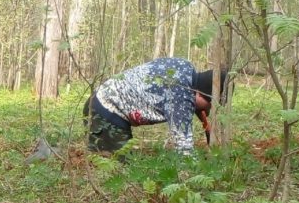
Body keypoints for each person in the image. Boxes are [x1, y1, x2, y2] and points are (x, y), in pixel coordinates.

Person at [84, 58, 231, 155]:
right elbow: (184, 149)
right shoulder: (180, 98)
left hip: (101, 98)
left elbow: (197, 105)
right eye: (210, 104)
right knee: (120, 164)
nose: (209, 109)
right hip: (103, 111)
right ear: (200, 94)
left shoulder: (185, 68)